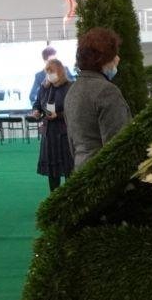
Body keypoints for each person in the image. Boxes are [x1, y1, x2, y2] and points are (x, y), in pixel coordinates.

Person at [64, 27, 132, 171]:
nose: (117, 59)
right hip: (103, 174)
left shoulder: (73, 90)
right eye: (114, 55)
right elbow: (117, 145)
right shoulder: (107, 91)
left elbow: (71, 142)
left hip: (81, 169)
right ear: (103, 59)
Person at [31, 58, 73, 191]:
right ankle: (54, 198)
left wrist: (58, 115)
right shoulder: (43, 88)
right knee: (52, 171)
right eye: (47, 72)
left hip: (64, 134)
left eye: (52, 71)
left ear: (60, 71)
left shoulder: (69, 87)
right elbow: (37, 104)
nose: (49, 74)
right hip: (49, 135)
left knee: (69, 169)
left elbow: (73, 110)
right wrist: (36, 111)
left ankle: (71, 197)